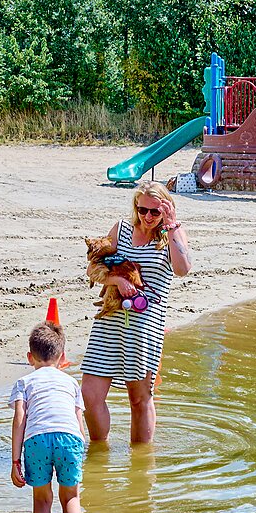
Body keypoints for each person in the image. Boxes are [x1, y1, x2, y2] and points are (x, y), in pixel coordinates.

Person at [81, 180, 192, 445]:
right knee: (90, 394)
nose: (148, 217)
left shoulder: (172, 234)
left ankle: (141, 460)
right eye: (143, 210)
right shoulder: (121, 229)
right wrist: (117, 281)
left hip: (145, 326)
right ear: (136, 207)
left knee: (139, 398)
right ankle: (99, 450)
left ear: (166, 209)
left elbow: (183, 269)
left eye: (155, 211)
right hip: (109, 319)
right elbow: (93, 268)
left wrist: (172, 225)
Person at [11, 321, 86, 513]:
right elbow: (79, 422)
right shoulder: (71, 382)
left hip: (37, 440)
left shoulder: (24, 383)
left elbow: (20, 419)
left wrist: (15, 461)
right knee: (71, 497)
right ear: (62, 357)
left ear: (29, 357)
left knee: (42, 500)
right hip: (69, 439)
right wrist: (81, 451)